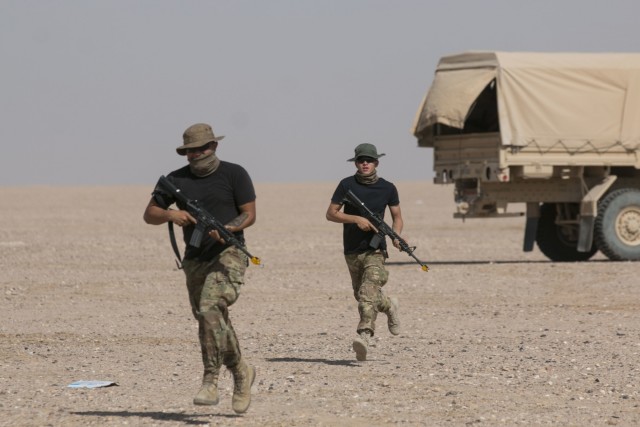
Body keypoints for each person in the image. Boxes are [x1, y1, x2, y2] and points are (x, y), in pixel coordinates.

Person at [143, 123, 256, 413]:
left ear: (214, 147)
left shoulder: (235, 173)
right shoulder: (175, 180)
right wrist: (172, 213)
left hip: (229, 252)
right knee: (210, 318)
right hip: (195, 258)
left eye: (201, 149)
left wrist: (227, 229)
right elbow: (150, 214)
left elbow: (249, 214)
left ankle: (211, 379)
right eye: (189, 151)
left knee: (209, 308)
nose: (195, 154)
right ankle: (241, 370)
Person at [326, 143, 402, 362]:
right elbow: (331, 213)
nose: (365, 163)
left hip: (376, 250)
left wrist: (396, 236)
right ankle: (389, 306)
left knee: (367, 295)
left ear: (377, 162)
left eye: (369, 160)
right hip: (352, 250)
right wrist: (356, 219)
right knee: (363, 295)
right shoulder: (346, 185)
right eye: (361, 160)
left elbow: (397, 216)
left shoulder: (388, 188)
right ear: (356, 163)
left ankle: (364, 335)